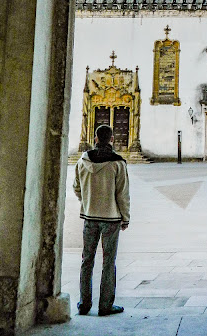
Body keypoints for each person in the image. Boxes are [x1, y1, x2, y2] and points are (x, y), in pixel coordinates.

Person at [73, 124, 130, 317]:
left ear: (96, 139)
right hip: (111, 219)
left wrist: (87, 201)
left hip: (90, 217)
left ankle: (84, 303)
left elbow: (76, 187)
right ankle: (105, 305)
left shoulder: (82, 161)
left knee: (86, 260)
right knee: (108, 262)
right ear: (112, 140)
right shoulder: (118, 163)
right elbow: (122, 194)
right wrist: (126, 217)